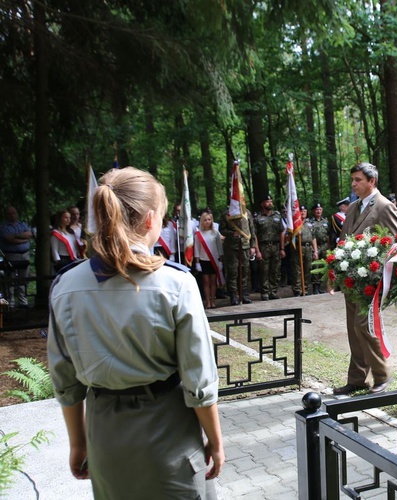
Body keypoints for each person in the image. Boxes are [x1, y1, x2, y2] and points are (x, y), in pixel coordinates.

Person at [46, 167, 223, 499]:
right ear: (149, 219)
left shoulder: (65, 286)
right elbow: (198, 380)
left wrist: (78, 443)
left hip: (105, 437)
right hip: (169, 435)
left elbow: (65, 381)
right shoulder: (176, 283)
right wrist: (215, 442)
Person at [333, 162, 397, 396]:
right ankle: (357, 378)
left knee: (365, 326)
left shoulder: (384, 206)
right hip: (352, 280)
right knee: (354, 329)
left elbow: (392, 243)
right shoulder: (352, 207)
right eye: (352, 180)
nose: (354, 184)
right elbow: (343, 241)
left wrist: (380, 275)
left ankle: (382, 375)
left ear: (372, 181)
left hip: (372, 281)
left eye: (358, 180)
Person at [221, 208, 257, 305]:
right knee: (233, 272)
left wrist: (253, 246)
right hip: (232, 247)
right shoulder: (227, 213)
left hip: (245, 246)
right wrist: (232, 233)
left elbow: (251, 230)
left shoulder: (247, 212)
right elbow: (222, 229)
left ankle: (243, 294)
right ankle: (233, 296)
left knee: (244, 271)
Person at [0, 206, 33, 308]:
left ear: (17, 214)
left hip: (25, 254)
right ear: (6, 215)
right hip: (11, 255)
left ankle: (23, 301)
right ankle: (11, 302)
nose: (12, 215)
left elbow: (29, 234)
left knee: (23, 278)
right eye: (9, 213)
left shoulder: (22, 224)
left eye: (13, 213)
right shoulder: (3, 226)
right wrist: (23, 238)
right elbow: (9, 239)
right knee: (11, 278)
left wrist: (15, 236)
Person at [255, 196, 285, 300]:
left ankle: (273, 291)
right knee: (264, 270)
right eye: (267, 201)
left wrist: (282, 248)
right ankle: (265, 292)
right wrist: (257, 250)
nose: (270, 203)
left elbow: (281, 232)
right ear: (262, 204)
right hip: (264, 246)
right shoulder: (258, 218)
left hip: (276, 246)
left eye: (271, 201)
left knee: (275, 270)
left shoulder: (277, 216)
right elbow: (255, 235)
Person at [194, 211, 224, 309]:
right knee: (206, 281)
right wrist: (197, 263)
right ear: (202, 221)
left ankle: (213, 301)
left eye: (209, 220)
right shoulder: (198, 234)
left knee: (213, 281)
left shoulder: (215, 232)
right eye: (205, 220)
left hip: (214, 260)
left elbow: (219, 247)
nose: (207, 222)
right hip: (203, 260)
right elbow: (197, 249)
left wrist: (220, 260)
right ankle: (207, 302)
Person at [290, 206, 317, 296]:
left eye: (305, 211)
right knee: (297, 269)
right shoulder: (295, 224)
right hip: (298, 247)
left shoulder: (310, 223)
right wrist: (296, 233)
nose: (303, 213)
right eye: (301, 211)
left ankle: (305, 288)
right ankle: (297, 290)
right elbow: (289, 236)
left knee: (308, 268)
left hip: (308, 248)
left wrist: (315, 250)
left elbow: (313, 237)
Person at [307, 203, 328, 294]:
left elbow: (328, 235)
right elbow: (311, 236)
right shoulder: (310, 222)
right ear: (313, 211)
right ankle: (315, 287)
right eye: (316, 209)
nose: (318, 211)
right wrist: (313, 249)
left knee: (324, 266)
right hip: (315, 246)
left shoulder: (325, 221)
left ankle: (322, 286)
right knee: (315, 266)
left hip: (325, 245)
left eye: (320, 209)